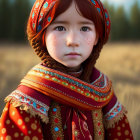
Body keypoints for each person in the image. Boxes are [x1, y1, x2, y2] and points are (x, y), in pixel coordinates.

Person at [0, 0, 134, 139]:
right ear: (42, 36)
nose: (72, 41)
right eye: (60, 28)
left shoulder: (103, 90)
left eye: (84, 28)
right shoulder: (26, 102)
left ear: (97, 37)